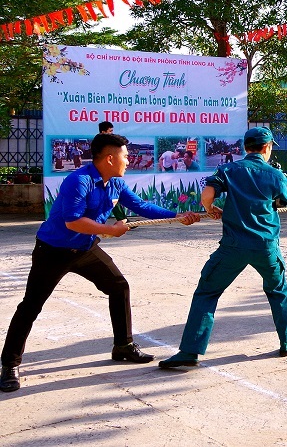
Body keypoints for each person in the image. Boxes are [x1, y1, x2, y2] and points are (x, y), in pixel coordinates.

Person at [0, 133, 201, 392]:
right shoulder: (79, 180)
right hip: (53, 251)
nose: (129, 160)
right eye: (125, 156)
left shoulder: (116, 182)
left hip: (84, 249)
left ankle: (123, 346)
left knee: (118, 286)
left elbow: (141, 205)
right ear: (109, 158)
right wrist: (110, 229)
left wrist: (177, 215)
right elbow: (72, 221)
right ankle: (9, 364)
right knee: (31, 306)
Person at [158, 128, 287, 369]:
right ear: (266, 147)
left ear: (247, 147)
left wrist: (210, 210)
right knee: (278, 291)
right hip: (265, 247)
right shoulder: (274, 173)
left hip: (233, 246)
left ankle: (190, 351)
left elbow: (207, 195)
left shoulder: (228, 170)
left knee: (207, 292)